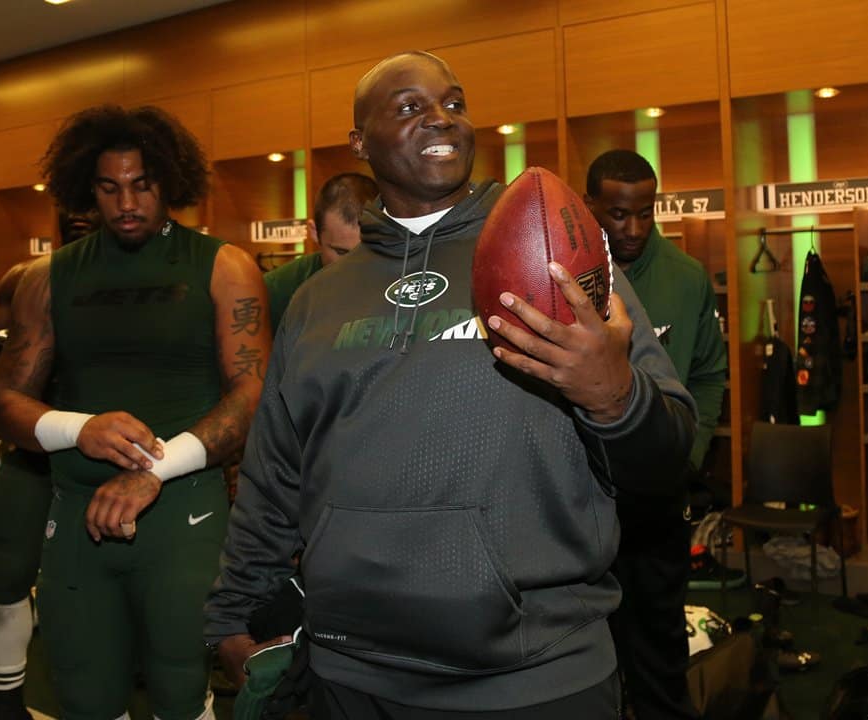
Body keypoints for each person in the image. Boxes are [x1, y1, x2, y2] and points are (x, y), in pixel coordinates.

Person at [204, 51, 695, 718]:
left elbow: (669, 458)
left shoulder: (554, 262)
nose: (443, 119)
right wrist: (233, 610)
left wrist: (615, 395)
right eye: (410, 107)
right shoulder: (319, 301)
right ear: (359, 142)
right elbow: (273, 473)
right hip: (350, 673)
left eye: (455, 104)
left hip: (537, 676)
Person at [0, 105, 270, 720]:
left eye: (142, 183)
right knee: (85, 692)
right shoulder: (46, 278)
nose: (127, 202)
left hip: (182, 513)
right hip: (76, 516)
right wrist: (78, 429)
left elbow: (253, 396)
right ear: (83, 189)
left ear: (168, 180)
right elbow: (7, 399)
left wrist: (154, 470)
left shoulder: (224, 267)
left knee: (180, 692)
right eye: (109, 186)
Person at [585, 149, 727, 720]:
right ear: (591, 204)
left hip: (659, 504)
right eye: (619, 214)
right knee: (592, 657)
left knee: (660, 656)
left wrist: (688, 454)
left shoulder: (687, 277)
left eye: (646, 212)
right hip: (589, 501)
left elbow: (711, 375)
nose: (635, 228)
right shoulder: (567, 274)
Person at [0, 208, 99, 720]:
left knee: (90, 592)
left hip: (101, 462)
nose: (83, 217)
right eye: (75, 206)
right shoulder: (27, 278)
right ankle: (5, 700)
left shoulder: (137, 285)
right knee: (10, 577)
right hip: (30, 458)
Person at [264, 173, 378, 331]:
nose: (355, 265)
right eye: (341, 252)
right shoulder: (276, 292)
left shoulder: (407, 282)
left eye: (368, 250)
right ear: (314, 232)